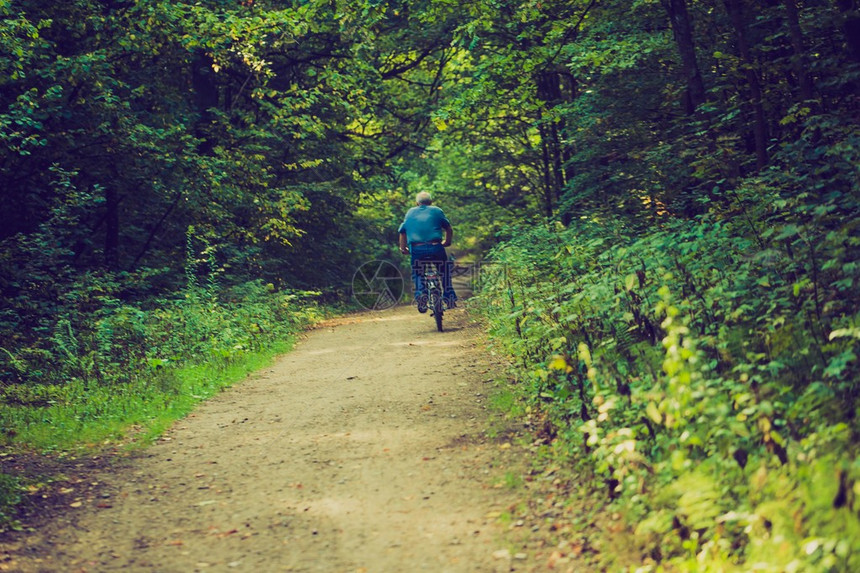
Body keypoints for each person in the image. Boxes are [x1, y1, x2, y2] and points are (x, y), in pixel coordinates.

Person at [398, 192, 457, 313]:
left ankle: (421, 296)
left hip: (417, 249)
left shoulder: (410, 212)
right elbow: (448, 229)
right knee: (444, 272)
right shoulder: (437, 210)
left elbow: (402, 232)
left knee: (418, 273)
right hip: (436, 247)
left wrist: (403, 248)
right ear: (431, 202)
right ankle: (449, 298)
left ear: (417, 203)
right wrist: (447, 242)